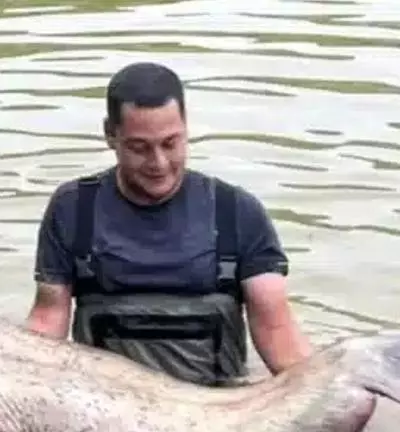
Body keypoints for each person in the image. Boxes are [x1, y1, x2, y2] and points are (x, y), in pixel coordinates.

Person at [23, 62, 312, 387]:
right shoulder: (74, 208)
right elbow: (48, 319)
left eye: (170, 143)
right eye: (139, 148)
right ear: (110, 135)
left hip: (218, 407)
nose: (158, 163)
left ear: (186, 128)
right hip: (105, 409)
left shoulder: (237, 212)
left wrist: (326, 394)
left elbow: (278, 331)